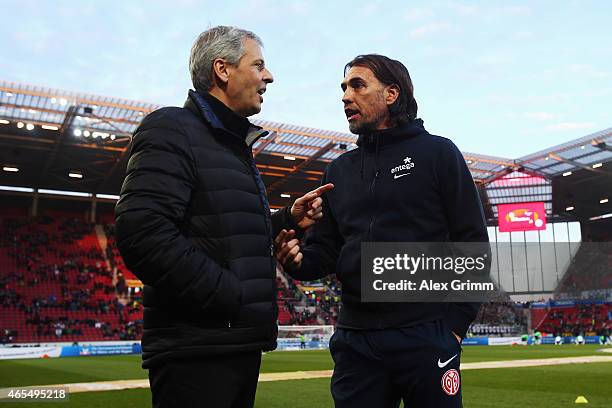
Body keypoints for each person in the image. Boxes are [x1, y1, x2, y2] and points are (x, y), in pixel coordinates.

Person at [115, 26, 332, 408]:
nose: (269, 76)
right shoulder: (172, 128)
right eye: (259, 65)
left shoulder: (231, 144)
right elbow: (142, 234)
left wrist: (284, 218)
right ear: (223, 69)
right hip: (197, 350)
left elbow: (224, 232)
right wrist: (229, 294)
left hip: (234, 342)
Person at [276, 54, 488, 407]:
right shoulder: (338, 172)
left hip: (427, 333)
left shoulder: (438, 153)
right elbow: (326, 252)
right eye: (343, 88)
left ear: (392, 94)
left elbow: (472, 242)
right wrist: (296, 261)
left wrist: (453, 327)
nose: (346, 96)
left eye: (357, 85)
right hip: (355, 341)